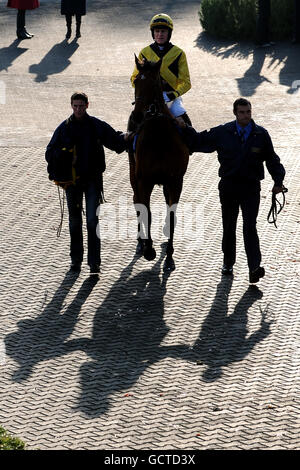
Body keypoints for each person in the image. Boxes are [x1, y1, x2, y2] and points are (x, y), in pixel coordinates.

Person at [183, 98, 286, 284]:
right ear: (235, 113)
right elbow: (199, 141)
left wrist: (278, 181)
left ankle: (254, 267)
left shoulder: (261, 134)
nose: (246, 116)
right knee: (229, 226)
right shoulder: (223, 132)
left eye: (248, 112)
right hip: (229, 187)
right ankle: (228, 262)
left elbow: (272, 159)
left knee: (250, 227)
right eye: (242, 112)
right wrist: (183, 128)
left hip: (251, 188)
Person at [45, 92, 131, 275]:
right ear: (71, 106)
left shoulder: (96, 126)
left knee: (92, 221)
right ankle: (75, 261)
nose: (78, 109)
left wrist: (129, 137)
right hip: (72, 183)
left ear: (87, 105)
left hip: (93, 181)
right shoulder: (64, 128)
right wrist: (63, 155)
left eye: (81, 106)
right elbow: (49, 153)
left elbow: (114, 141)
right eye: (75, 106)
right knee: (75, 223)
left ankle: (94, 264)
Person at [130, 13, 192, 129]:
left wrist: (173, 94)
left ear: (169, 33)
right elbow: (134, 78)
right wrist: (143, 91)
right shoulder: (145, 52)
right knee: (133, 120)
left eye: (163, 31)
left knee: (186, 122)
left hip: (171, 97)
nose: (160, 34)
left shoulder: (179, 53)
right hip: (148, 96)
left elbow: (186, 82)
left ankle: (193, 145)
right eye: (157, 31)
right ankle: (129, 145)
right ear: (152, 33)